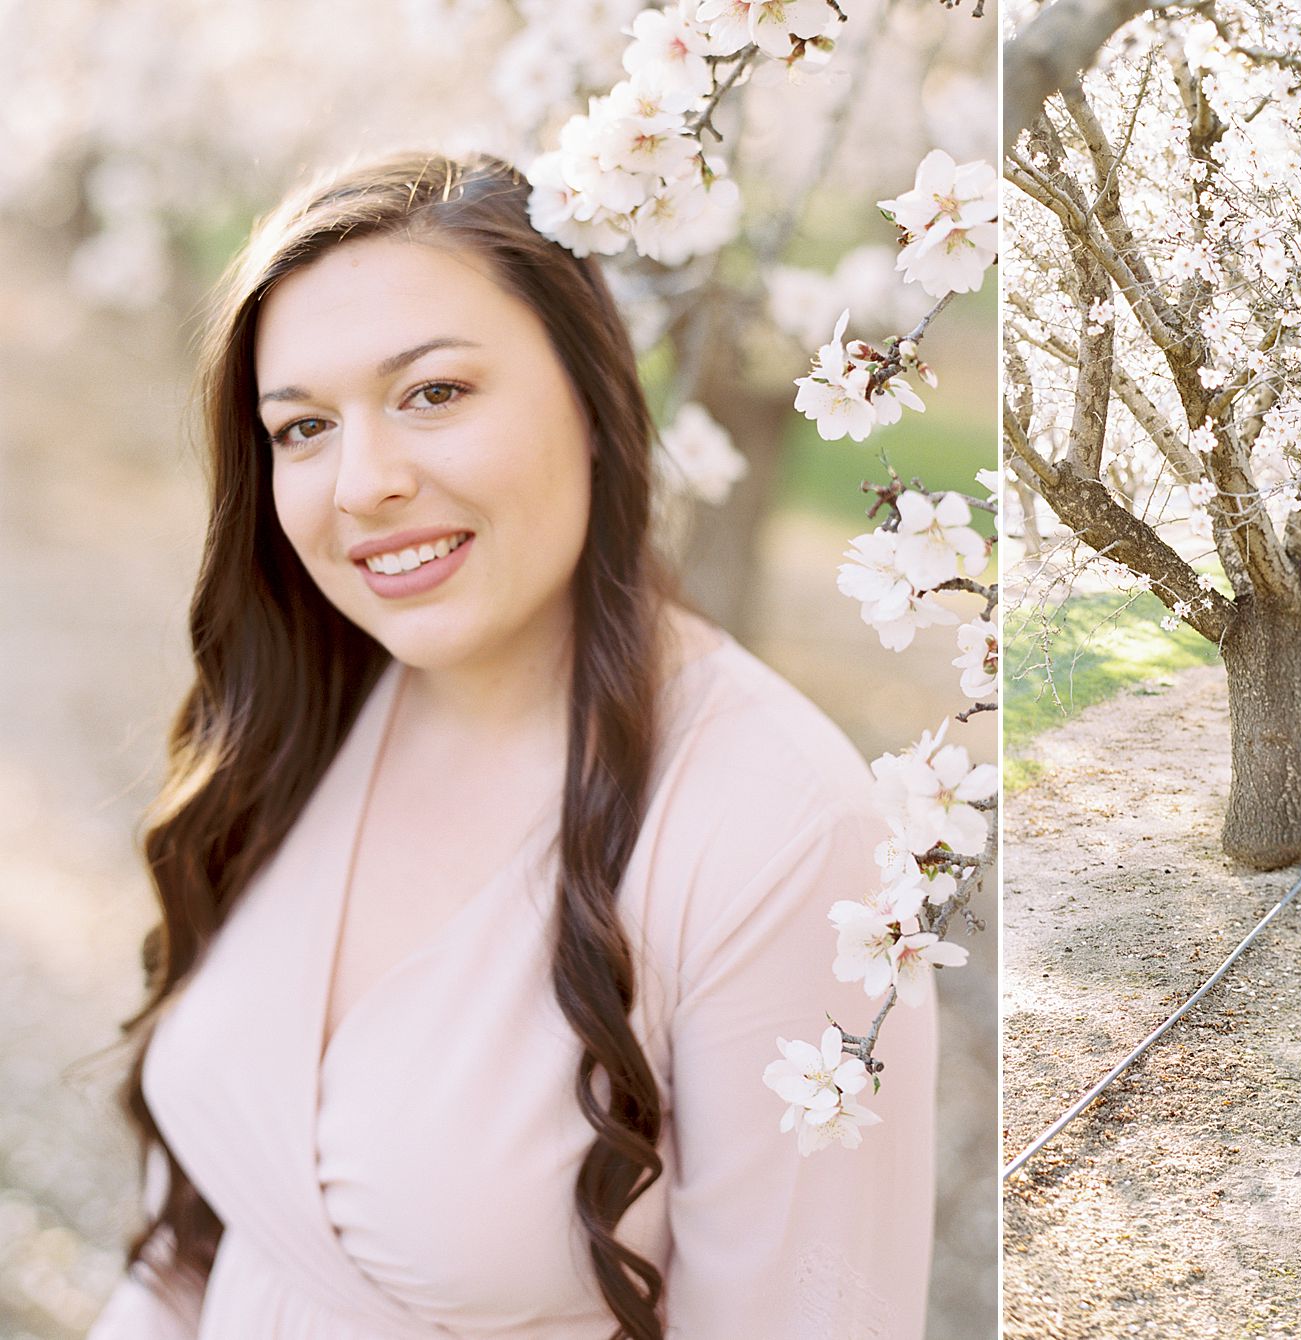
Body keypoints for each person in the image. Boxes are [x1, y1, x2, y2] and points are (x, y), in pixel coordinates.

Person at [86, 152, 937, 1339]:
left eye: (434, 392)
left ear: (592, 400)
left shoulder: (779, 827)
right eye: (303, 427)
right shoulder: (305, 714)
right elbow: (197, 1245)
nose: (364, 484)